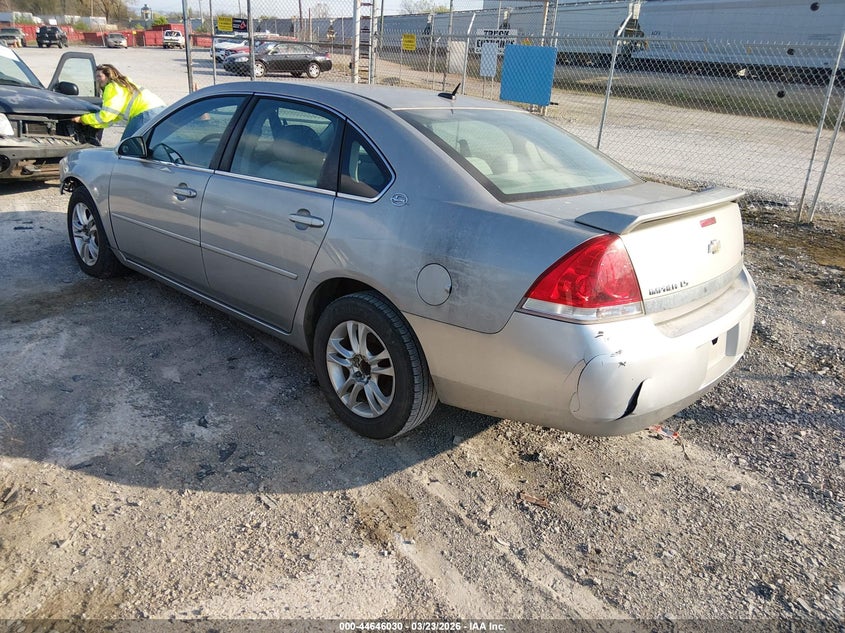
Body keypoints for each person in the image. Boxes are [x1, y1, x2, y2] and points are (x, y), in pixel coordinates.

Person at [72, 64, 166, 141]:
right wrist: (89, 123)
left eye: (100, 76)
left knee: (127, 147)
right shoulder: (123, 85)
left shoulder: (112, 87)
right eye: (96, 77)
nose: (97, 79)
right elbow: (111, 119)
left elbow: (106, 115)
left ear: (108, 76)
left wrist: (83, 119)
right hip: (161, 111)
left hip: (145, 114)